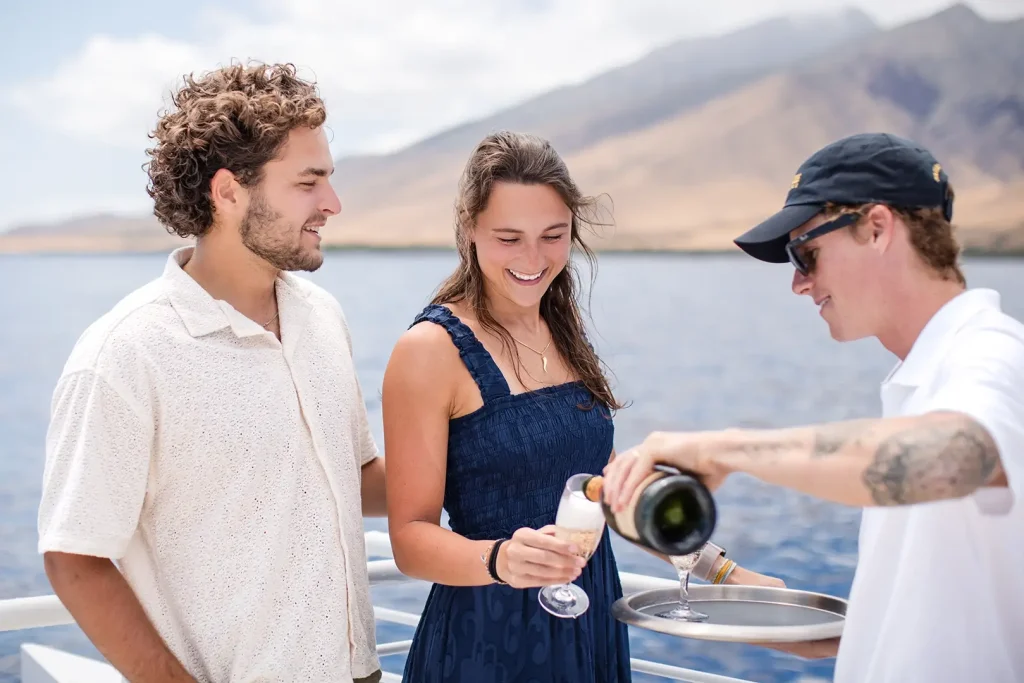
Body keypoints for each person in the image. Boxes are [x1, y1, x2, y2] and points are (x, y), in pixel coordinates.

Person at [601, 132, 1024, 683]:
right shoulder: (923, 380)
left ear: (876, 228)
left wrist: (720, 449)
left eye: (806, 253)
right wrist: (739, 588)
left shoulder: (992, 356)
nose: (799, 283)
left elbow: (954, 457)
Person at [381, 130, 780, 683]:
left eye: (553, 235)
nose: (532, 259)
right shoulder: (429, 351)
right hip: (488, 636)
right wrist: (500, 560)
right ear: (469, 230)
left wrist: (723, 572)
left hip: (590, 621)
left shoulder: (559, 327)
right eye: (509, 237)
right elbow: (409, 539)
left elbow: (611, 494)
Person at [37, 62, 386, 683]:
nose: (332, 204)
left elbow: (354, 476)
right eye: (309, 182)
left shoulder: (321, 316)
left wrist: (505, 466)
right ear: (228, 193)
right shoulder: (126, 354)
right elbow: (74, 556)